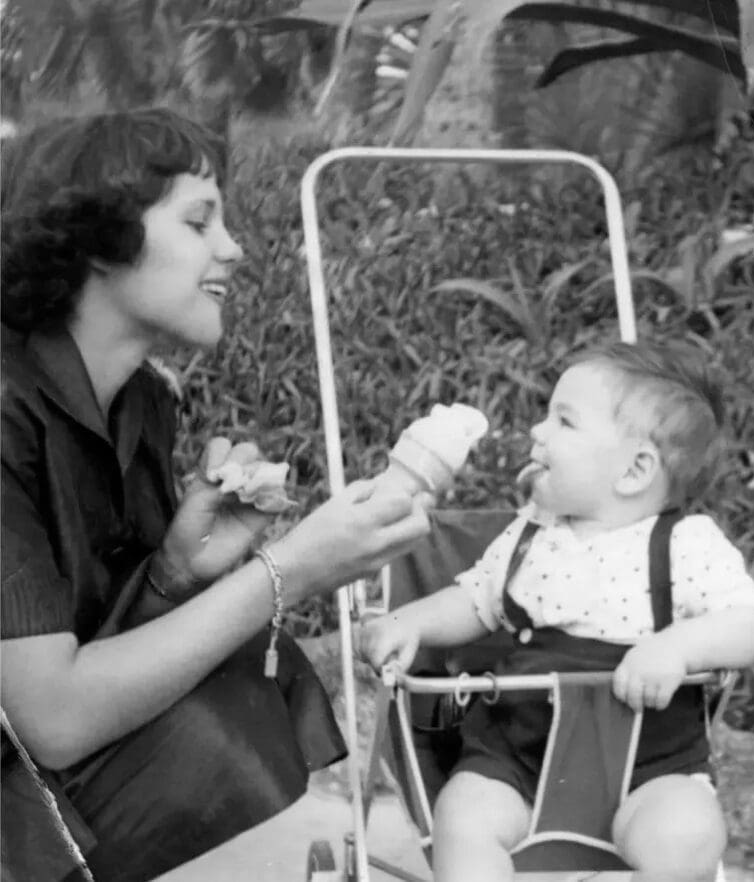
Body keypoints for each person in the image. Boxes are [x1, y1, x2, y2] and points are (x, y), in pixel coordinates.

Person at [0, 107, 432, 882]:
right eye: (200, 221)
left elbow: (103, 655)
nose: (233, 248)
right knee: (215, 717)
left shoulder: (141, 403)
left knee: (239, 675)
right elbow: (54, 720)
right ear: (99, 239)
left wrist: (174, 571)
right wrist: (289, 572)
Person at [361, 341, 754, 882]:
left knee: (688, 833)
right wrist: (411, 620)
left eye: (565, 421)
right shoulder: (530, 535)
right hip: (515, 759)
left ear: (633, 472)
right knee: (463, 818)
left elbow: (751, 620)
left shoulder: (684, 546)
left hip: (649, 767)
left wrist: (675, 647)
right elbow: (475, 600)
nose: (538, 431)